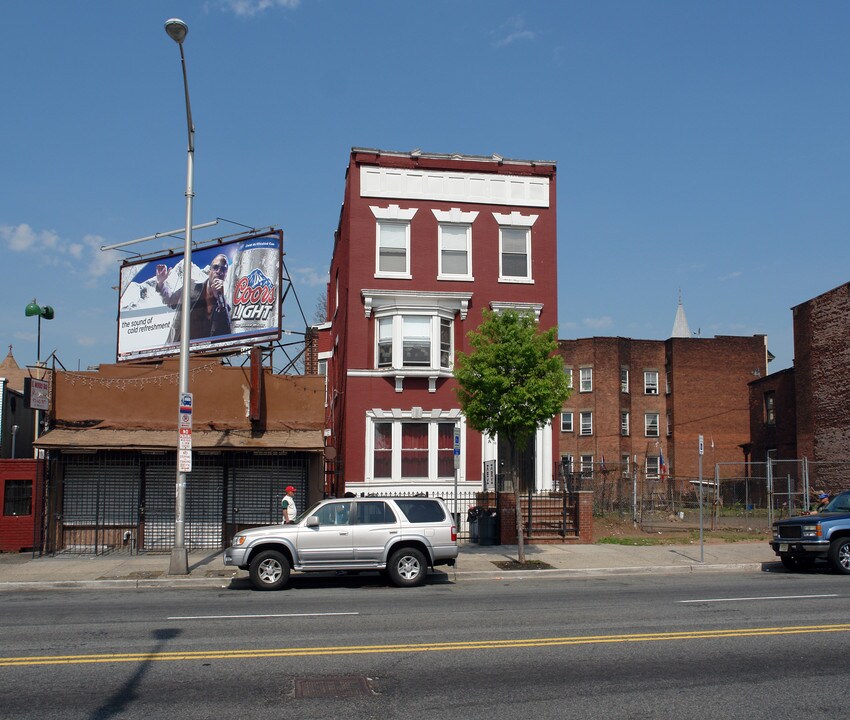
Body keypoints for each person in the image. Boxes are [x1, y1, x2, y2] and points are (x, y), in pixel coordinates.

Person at [155, 253, 232, 342]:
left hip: (202, 354)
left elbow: (225, 338)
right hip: (176, 350)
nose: (219, 271)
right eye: (215, 267)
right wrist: (161, 284)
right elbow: (171, 300)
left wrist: (220, 300)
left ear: (226, 274)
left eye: (223, 269)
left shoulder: (225, 308)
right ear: (210, 270)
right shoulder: (190, 287)